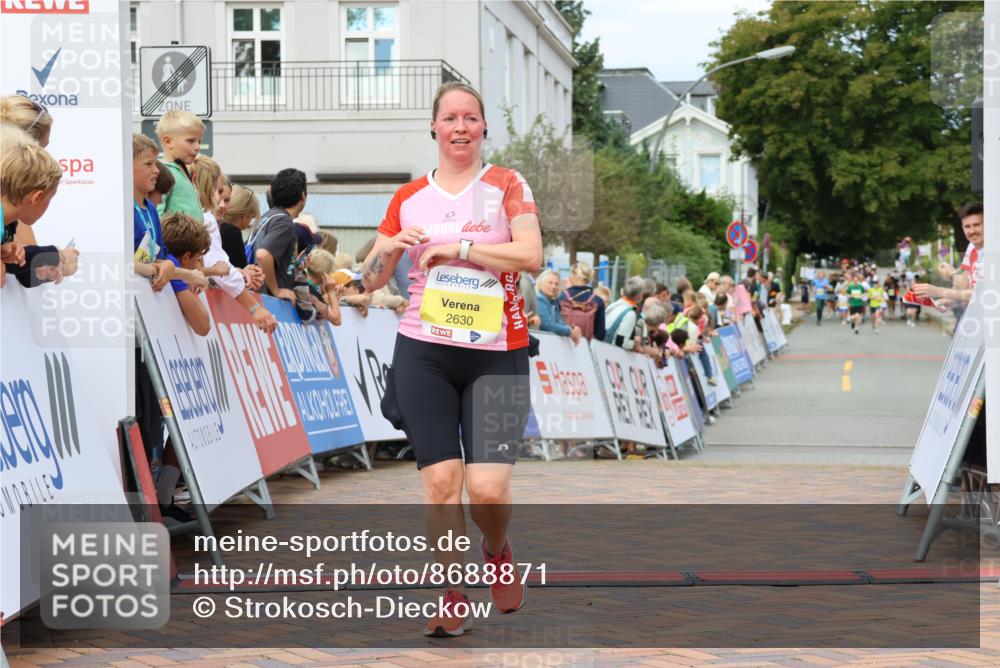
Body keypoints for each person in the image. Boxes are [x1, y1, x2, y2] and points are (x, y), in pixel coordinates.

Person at [360, 81, 541, 637]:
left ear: (484, 127)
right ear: (434, 128)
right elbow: (369, 280)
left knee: (487, 490)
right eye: (450, 118)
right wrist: (388, 249)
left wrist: (460, 248)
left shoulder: (507, 184)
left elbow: (531, 255)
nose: (460, 127)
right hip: (425, 352)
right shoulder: (409, 196)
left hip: (497, 354)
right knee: (441, 484)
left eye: (470, 118)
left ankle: (497, 549)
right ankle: (452, 593)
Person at [193, 156, 275, 332]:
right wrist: (255, 308)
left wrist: (238, 272)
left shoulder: (207, 220)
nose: (220, 202)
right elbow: (218, 268)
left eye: (227, 199)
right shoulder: (209, 220)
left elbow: (219, 268)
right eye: (217, 192)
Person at [1, 130, 78, 288]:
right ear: (36, 197)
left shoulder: (8, 226)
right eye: (50, 199)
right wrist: (58, 255)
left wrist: (5, 256)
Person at [253, 168, 308, 301]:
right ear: (303, 195)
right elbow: (263, 255)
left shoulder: (268, 216)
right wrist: (276, 290)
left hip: (257, 296)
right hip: (270, 301)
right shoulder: (284, 222)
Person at [913, 203, 983, 306]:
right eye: (967, 226)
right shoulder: (971, 247)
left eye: (976, 225)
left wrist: (938, 291)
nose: (972, 231)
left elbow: (983, 294)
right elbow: (964, 287)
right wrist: (951, 300)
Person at [160, 212, 213, 336]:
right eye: (198, 258)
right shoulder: (172, 264)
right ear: (186, 257)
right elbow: (203, 327)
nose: (198, 265)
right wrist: (189, 281)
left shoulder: (164, 257)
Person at [155, 110, 205, 220]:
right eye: (191, 141)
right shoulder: (162, 173)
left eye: (199, 141)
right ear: (168, 141)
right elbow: (156, 216)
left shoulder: (182, 172)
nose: (197, 147)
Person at [561, 261, 605, 340]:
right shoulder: (597, 301)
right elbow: (600, 334)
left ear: (572, 275)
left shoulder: (561, 297)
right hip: (586, 345)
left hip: (563, 343)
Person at [536, 269, 582, 344]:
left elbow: (559, 322)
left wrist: (572, 329)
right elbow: (547, 326)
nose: (553, 286)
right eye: (550, 283)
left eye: (556, 284)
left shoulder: (553, 302)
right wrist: (570, 331)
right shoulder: (539, 299)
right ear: (541, 284)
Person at [220, 183, 258, 268]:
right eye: (252, 217)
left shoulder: (215, 225)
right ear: (244, 216)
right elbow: (241, 268)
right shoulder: (232, 233)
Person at [604, 276, 645, 349]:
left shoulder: (613, 305)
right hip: (611, 352)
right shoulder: (630, 314)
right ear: (639, 295)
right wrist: (634, 343)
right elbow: (621, 342)